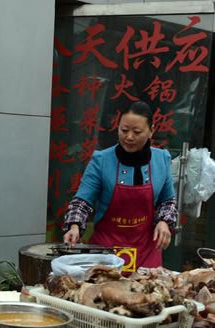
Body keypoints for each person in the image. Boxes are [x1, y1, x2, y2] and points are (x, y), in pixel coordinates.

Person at [62, 101, 177, 271]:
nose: (129, 137)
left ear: (151, 130)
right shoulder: (101, 160)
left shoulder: (162, 159)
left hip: (147, 254)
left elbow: (167, 201)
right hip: (105, 253)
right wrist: (74, 226)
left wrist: (164, 222)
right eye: (124, 130)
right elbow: (82, 201)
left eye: (137, 132)